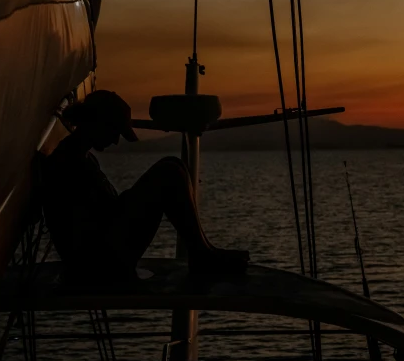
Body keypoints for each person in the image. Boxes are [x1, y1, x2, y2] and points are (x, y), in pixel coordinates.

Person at [41, 90, 249, 283]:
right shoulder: (69, 162)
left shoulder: (83, 158)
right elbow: (89, 223)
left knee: (175, 166)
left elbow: (102, 213)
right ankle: (202, 255)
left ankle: (203, 251)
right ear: (97, 122)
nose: (115, 141)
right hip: (96, 265)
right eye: (115, 132)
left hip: (102, 255)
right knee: (168, 171)